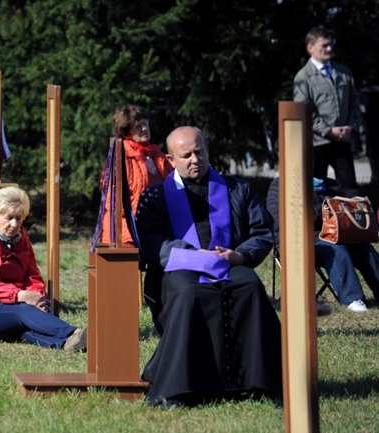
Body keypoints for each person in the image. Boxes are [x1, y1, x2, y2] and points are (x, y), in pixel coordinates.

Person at [135, 126, 282, 408]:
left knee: (249, 285)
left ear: (207, 150)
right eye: (186, 155)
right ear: (170, 159)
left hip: (229, 261)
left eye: (198, 151)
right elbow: (151, 242)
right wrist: (189, 255)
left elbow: (262, 231)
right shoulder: (155, 197)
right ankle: (177, 389)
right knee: (189, 293)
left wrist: (240, 255)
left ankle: (267, 381)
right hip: (177, 269)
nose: (194, 159)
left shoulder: (237, 189)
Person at [0, 187, 88, 351]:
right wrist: (22, 295)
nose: (14, 224)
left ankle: (68, 344)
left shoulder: (22, 239)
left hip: (13, 302)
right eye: (9, 218)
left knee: (23, 328)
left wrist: (38, 299)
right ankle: (75, 333)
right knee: (22, 312)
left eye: (19, 218)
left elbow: (32, 275)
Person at [266, 177, 378, 312]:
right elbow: (285, 217)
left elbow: (344, 210)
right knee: (334, 248)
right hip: (299, 243)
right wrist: (325, 209)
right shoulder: (280, 185)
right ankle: (353, 299)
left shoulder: (329, 184)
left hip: (336, 235)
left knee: (364, 248)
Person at [293, 25, 362, 197]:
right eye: (324, 45)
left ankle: (352, 223)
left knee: (350, 189)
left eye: (331, 44)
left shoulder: (344, 72)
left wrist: (351, 126)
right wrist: (328, 131)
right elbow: (304, 112)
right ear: (310, 48)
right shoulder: (303, 77)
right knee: (318, 190)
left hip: (343, 141)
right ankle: (321, 224)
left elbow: (355, 102)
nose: (329, 49)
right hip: (318, 144)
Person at [101, 104, 172, 245]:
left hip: (157, 224)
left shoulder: (156, 154)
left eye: (146, 123)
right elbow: (112, 201)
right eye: (138, 126)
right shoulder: (119, 158)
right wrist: (142, 216)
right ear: (126, 131)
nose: (145, 128)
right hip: (128, 230)